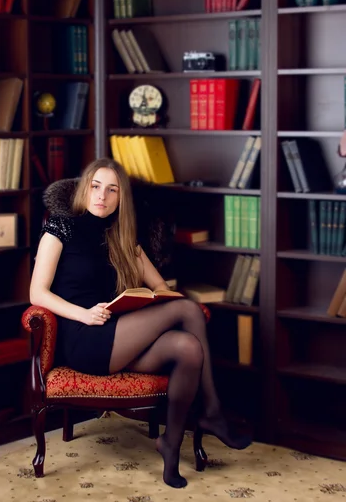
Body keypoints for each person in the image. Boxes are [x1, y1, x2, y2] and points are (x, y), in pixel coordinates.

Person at [30, 158, 252, 489]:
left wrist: (151, 299)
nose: (101, 196)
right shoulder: (60, 227)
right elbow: (37, 292)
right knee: (189, 311)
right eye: (95, 187)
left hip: (119, 334)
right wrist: (84, 313)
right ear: (84, 189)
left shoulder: (123, 237)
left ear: (121, 198)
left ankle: (171, 446)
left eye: (111, 190)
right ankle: (213, 411)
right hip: (84, 338)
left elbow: (162, 286)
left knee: (188, 348)